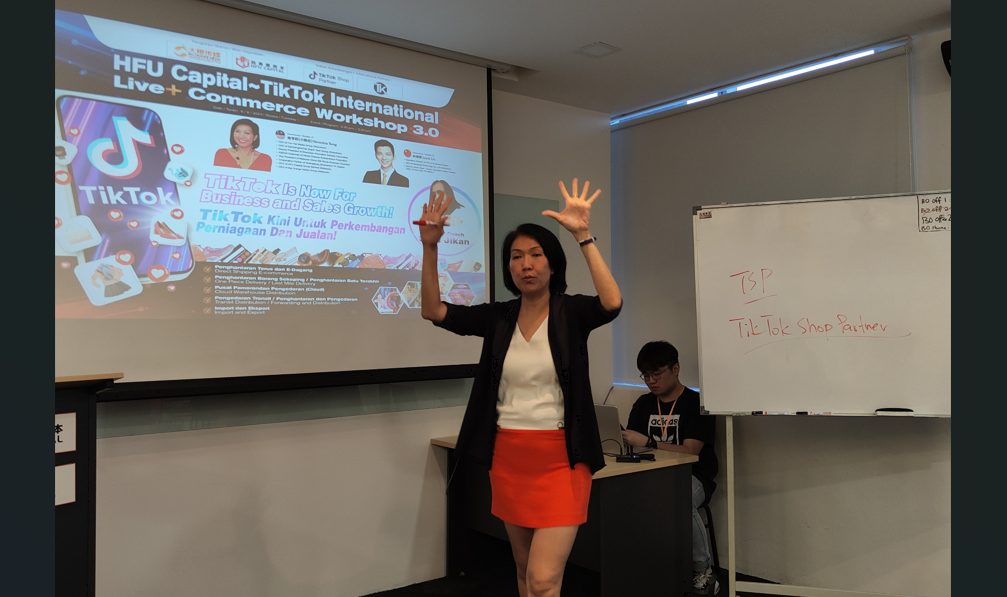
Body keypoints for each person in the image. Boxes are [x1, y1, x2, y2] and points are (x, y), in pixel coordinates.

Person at [420, 179, 621, 597]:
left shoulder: (571, 312)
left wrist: (583, 236)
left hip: (563, 459)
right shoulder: (499, 318)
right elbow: (434, 311)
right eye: (516, 257)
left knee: (544, 580)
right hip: (510, 457)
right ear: (508, 268)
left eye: (535, 254)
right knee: (525, 569)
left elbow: (612, 303)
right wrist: (430, 247)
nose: (526, 264)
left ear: (552, 265)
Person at [622, 341, 720, 595]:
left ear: (675, 368)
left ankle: (703, 571)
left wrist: (650, 442)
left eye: (657, 374)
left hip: (693, 475)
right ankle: (639, 566)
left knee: (678, 499)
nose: (651, 381)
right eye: (646, 376)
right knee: (618, 494)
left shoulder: (696, 403)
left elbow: (691, 451)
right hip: (650, 472)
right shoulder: (643, 404)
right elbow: (633, 444)